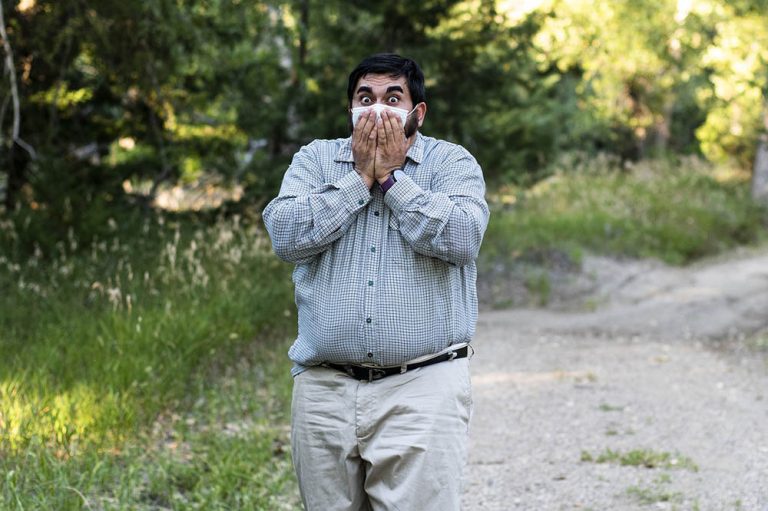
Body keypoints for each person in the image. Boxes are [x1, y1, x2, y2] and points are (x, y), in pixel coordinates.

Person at [263, 53, 490, 511]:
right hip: (325, 391)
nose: (377, 110)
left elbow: (463, 237)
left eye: (393, 98)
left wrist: (389, 179)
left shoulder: (451, 163)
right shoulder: (315, 160)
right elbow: (285, 235)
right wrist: (357, 182)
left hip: (423, 386)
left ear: (417, 113)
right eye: (365, 98)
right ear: (350, 109)